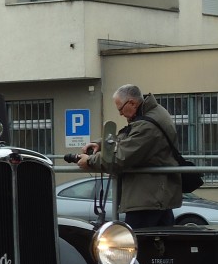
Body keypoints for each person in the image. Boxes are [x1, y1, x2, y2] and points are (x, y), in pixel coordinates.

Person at [76, 84, 181, 229]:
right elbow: (128, 139)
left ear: (131, 103)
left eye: (120, 109)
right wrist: (101, 144)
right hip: (155, 196)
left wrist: (90, 161)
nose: (120, 114)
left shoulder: (147, 125)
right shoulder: (152, 114)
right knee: (159, 240)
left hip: (146, 199)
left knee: (134, 241)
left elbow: (121, 157)